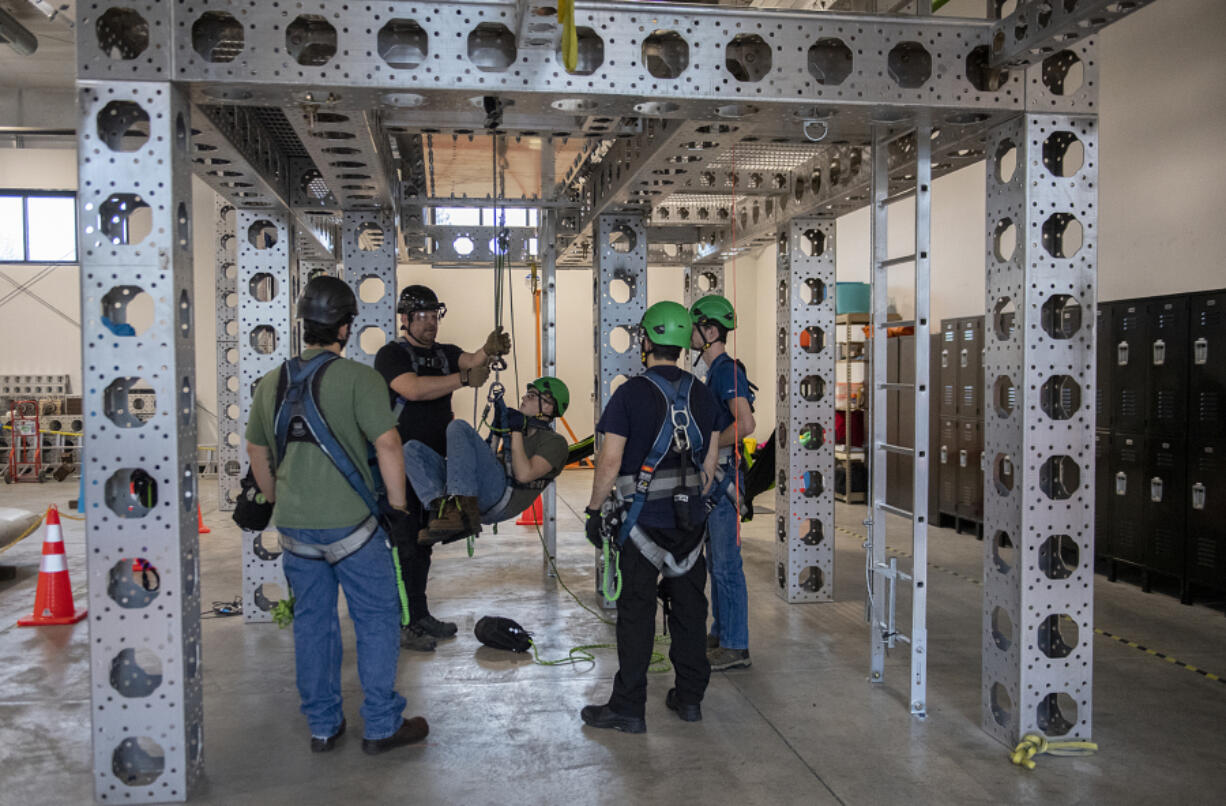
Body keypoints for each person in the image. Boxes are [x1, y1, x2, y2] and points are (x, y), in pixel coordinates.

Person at [245, 276, 428, 755]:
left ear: (304, 324)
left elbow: (257, 451)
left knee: (312, 624)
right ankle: (383, 725)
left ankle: (324, 726)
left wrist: (279, 500)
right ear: (346, 327)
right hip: (353, 529)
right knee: (375, 619)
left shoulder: (271, 382)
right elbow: (388, 445)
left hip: (296, 531)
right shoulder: (361, 380)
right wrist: (399, 509)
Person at [581, 301, 724, 733]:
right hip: (690, 526)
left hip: (641, 524)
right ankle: (690, 698)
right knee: (689, 610)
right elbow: (710, 464)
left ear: (646, 341)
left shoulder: (629, 394)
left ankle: (628, 707)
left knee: (637, 613)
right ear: (683, 344)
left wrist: (593, 510)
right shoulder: (703, 394)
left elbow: (610, 461)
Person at [373, 284, 511, 652]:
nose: (431, 324)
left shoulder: (446, 353)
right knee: (403, 544)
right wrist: (464, 379)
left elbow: (471, 359)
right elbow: (413, 389)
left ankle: (419, 615)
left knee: (422, 544)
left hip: (432, 468)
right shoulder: (391, 356)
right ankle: (404, 622)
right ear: (405, 319)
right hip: (400, 466)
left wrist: (488, 350)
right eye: (423, 317)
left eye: (435, 316)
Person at [405, 376, 571, 544]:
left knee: (459, 427)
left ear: (549, 406)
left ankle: (464, 512)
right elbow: (490, 457)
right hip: (489, 487)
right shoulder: (520, 431)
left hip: (505, 496)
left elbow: (524, 474)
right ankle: (447, 511)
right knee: (411, 450)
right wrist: (497, 432)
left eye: (532, 395)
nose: (524, 398)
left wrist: (516, 431)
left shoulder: (555, 443)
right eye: (527, 394)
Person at [690, 294, 756, 671]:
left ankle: (735, 645)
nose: (690, 335)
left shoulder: (727, 371)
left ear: (711, 330)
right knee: (717, 563)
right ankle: (723, 632)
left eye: (696, 328)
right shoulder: (714, 372)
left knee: (727, 566)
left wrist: (710, 441)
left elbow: (745, 425)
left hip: (724, 480)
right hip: (717, 480)